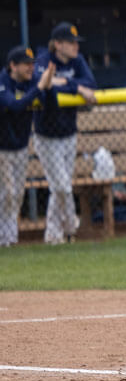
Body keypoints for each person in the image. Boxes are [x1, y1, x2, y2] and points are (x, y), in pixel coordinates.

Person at [32, 22, 98, 244]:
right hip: (47, 135)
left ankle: (53, 234)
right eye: (70, 43)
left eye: (76, 43)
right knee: (61, 186)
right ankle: (70, 224)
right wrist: (77, 87)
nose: (75, 47)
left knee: (59, 186)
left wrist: (65, 82)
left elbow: (91, 83)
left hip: (69, 132)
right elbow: (43, 84)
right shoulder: (43, 59)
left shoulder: (77, 61)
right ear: (57, 44)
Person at [1, 46, 55, 246]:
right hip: (2, 148)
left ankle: (9, 238)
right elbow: (14, 106)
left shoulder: (31, 81)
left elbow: (45, 101)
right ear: (13, 65)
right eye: (25, 64)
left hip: (21, 146)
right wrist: (39, 87)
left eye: (32, 64)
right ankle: (4, 238)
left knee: (17, 195)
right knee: (7, 192)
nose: (30, 68)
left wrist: (45, 84)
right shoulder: (3, 81)